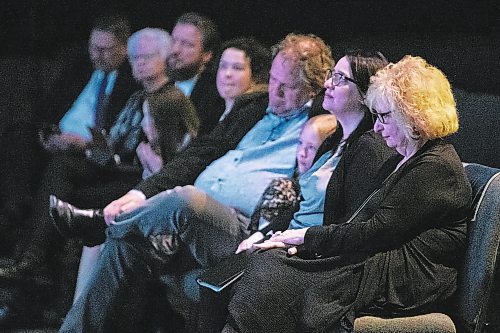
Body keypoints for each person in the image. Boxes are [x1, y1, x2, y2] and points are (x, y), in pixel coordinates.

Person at [55, 33, 333, 332]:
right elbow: (197, 155)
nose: (274, 91)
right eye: (274, 79)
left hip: (241, 228)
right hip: (189, 221)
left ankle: (102, 223)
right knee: (126, 243)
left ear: (313, 88)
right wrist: (139, 193)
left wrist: (325, 110)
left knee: (186, 199)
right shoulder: (253, 107)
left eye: (287, 86)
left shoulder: (320, 126)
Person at [223, 55, 472, 333]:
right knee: (269, 266)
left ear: (413, 115)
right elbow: (360, 223)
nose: (376, 127)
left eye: (384, 117)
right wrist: (304, 243)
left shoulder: (436, 167)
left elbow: (375, 232)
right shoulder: (407, 157)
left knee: (272, 276)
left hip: (404, 279)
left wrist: (307, 237)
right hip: (378, 261)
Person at [0, 28, 173, 327]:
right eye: (135, 58)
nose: (139, 64)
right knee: (52, 166)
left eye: (146, 57)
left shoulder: (169, 101)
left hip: (139, 181)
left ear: (165, 58)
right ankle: (35, 268)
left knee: (67, 185)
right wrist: (99, 150)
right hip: (110, 165)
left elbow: (171, 157)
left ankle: (35, 263)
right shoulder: (137, 96)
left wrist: (119, 155)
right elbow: (117, 141)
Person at [0, 14, 139, 256]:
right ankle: (14, 212)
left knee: (62, 165)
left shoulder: (132, 82)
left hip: (90, 153)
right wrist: (48, 133)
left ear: (124, 49)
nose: (97, 55)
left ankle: (34, 253)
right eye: (93, 47)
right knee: (15, 138)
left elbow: (119, 138)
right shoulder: (80, 66)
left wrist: (81, 145)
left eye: (105, 50)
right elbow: (48, 108)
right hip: (57, 140)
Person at [167, 12, 225, 135]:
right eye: (173, 41)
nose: (175, 50)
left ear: (207, 55)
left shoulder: (217, 96)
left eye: (187, 44)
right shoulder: (159, 83)